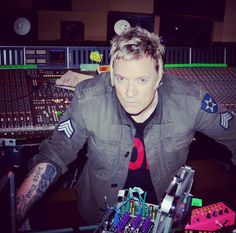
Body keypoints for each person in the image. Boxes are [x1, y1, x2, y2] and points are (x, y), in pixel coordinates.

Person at [16, 26, 236, 226]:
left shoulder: (191, 99)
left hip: (163, 217)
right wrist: (14, 214)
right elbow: (55, 154)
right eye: (121, 79)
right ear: (112, 74)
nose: (130, 94)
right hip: (99, 216)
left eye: (141, 80)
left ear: (160, 76)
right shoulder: (88, 98)